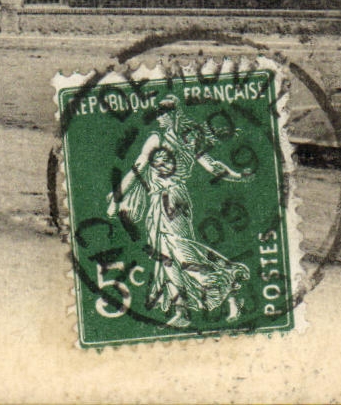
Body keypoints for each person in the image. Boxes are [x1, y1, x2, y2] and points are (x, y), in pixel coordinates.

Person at [107, 96, 253, 327]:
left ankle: (230, 284)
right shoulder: (155, 138)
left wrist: (237, 176)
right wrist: (117, 197)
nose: (161, 116)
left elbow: (212, 165)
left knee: (183, 253)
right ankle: (182, 311)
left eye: (165, 112)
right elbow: (137, 169)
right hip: (157, 203)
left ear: (176, 113)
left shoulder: (189, 140)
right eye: (159, 112)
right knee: (166, 258)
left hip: (175, 201)